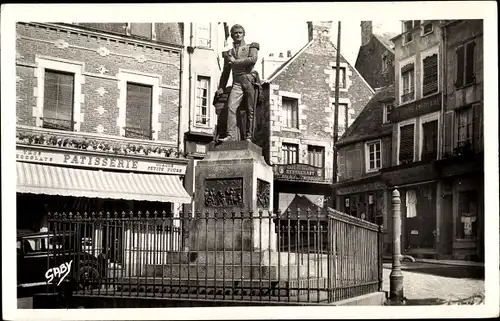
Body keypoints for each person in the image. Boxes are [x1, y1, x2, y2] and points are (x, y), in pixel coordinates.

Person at [216, 24, 259, 142]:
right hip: (237, 83)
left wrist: (234, 61)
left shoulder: (251, 47)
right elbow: (225, 73)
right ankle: (230, 135)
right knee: (231, 107)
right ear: (232, 36)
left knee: (250, 110)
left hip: (248, 80)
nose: (238, 35)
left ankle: (249, 137)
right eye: (235, 33)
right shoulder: (228, 53)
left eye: (240, 32)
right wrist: (221, 87)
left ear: (243, 34)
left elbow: (252, 60)